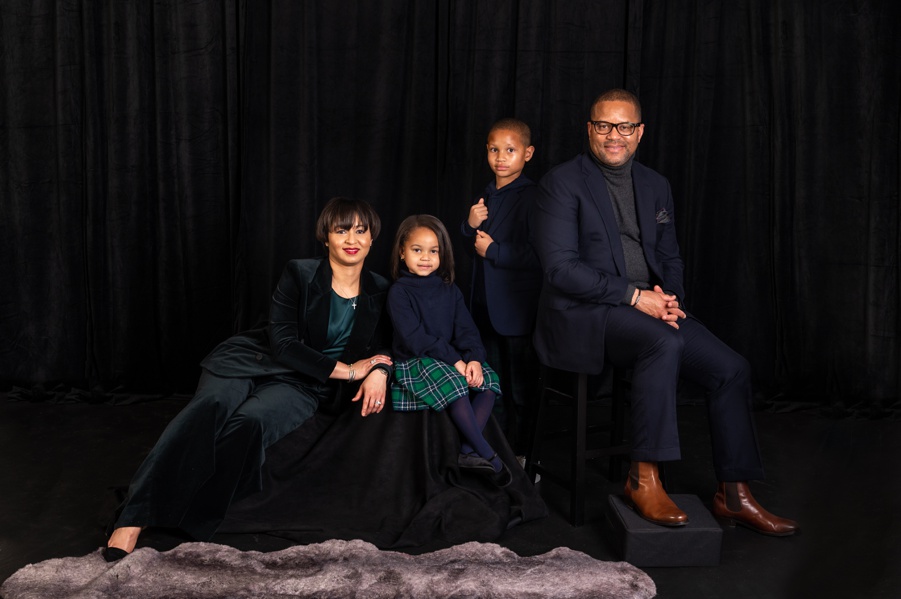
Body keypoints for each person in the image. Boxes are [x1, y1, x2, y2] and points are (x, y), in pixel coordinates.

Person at [532, 88, 798, 536]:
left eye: (624, 126)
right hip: (587, 314)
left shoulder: (656, 184)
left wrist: (667, 297)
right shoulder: (561, 182)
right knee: (663, 341)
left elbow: (670, 257)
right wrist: (636, 299)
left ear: (640, 132)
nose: (613, 135)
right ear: (589, 129)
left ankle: (734, 494)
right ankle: (644, 477)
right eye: (603, 125)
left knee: (731, 368)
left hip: (652, 309)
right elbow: (561, 270)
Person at [103, 197, 394, 561]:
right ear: (326, 238)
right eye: (341, 230)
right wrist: (351, 372)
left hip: (305, 383)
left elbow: (388, 343)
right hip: (254, 360)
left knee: (250, 422)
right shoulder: (300, 274)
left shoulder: (382, 289)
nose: (352, 238)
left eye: (360, 230)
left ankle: (191, 516)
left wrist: (380, 370)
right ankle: (134, 517)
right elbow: (284, 344)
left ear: (371, 239)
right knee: (212, 405)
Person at [388, 214, 511, 485]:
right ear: (401, 252)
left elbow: (467, 330)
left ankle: (466, 451)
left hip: (448, 358)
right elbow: (415, 339)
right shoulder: (400, 292)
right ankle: (488, 454)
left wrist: (474, 360)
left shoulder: (449, 289)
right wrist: (456, 361)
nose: (425, 258)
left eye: (433, 251)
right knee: (456, 382)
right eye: (417, 250)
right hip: (416, 360)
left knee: (489, 382)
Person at [459, 118, 543, 456]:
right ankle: (491, 448)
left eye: (510, 150)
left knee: (520, 387)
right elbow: (473, 247)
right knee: (490, 385)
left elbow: (541, 254)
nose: (501, 157)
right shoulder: (486, 194)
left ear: (528, 154)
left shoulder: (534, 197)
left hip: (516, 312)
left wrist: (495, 251)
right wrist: (469, 225)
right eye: (494, 150)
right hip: (482, 308)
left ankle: (523, 454)